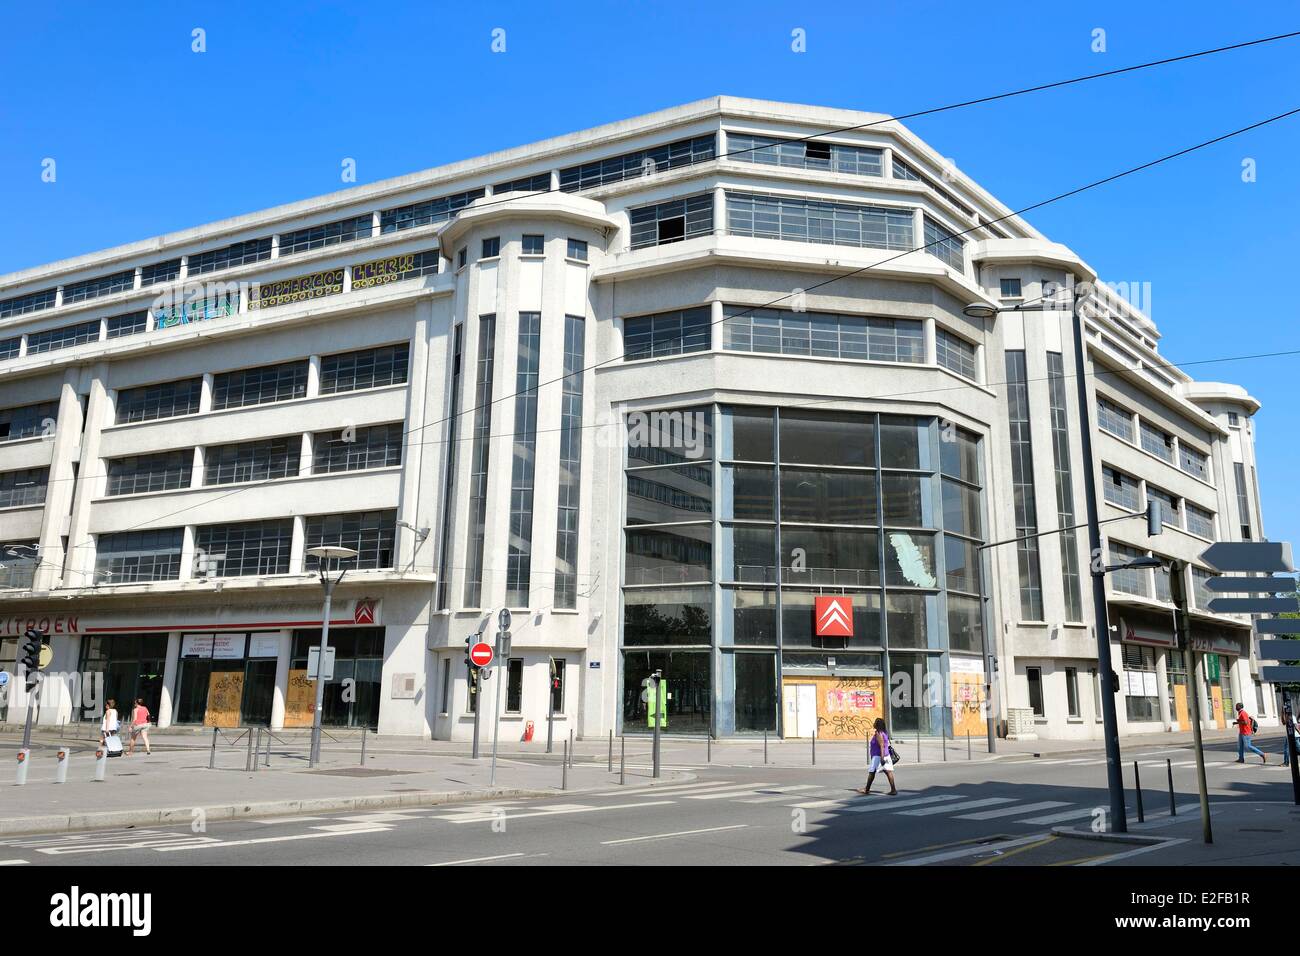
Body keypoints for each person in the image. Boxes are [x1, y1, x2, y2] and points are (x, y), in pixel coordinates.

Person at [860, 717, 898, 795]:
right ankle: (893, 790)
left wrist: (882, 758)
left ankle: (866, 789)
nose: (874, 724)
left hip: (878, 756)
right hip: (886, 755)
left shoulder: (878, 733)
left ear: (877, 725)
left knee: (871, 772)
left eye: (875, 723)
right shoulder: (884, 732)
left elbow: (881, 745)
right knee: (888, 772)